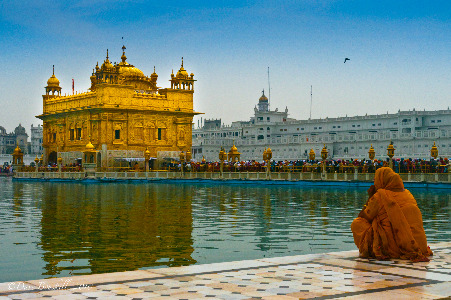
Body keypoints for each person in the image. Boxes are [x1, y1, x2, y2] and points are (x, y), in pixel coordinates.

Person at [351, 167, 432, 262]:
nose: (374, 182)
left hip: (395, 249)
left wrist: (370, 198)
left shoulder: (381, 195)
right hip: (419, 246)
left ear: (382, 180)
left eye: (376, 179)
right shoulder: (408, 193)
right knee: (380, 220)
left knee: (357, 224)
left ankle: (374, 249)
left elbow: (364, 217)